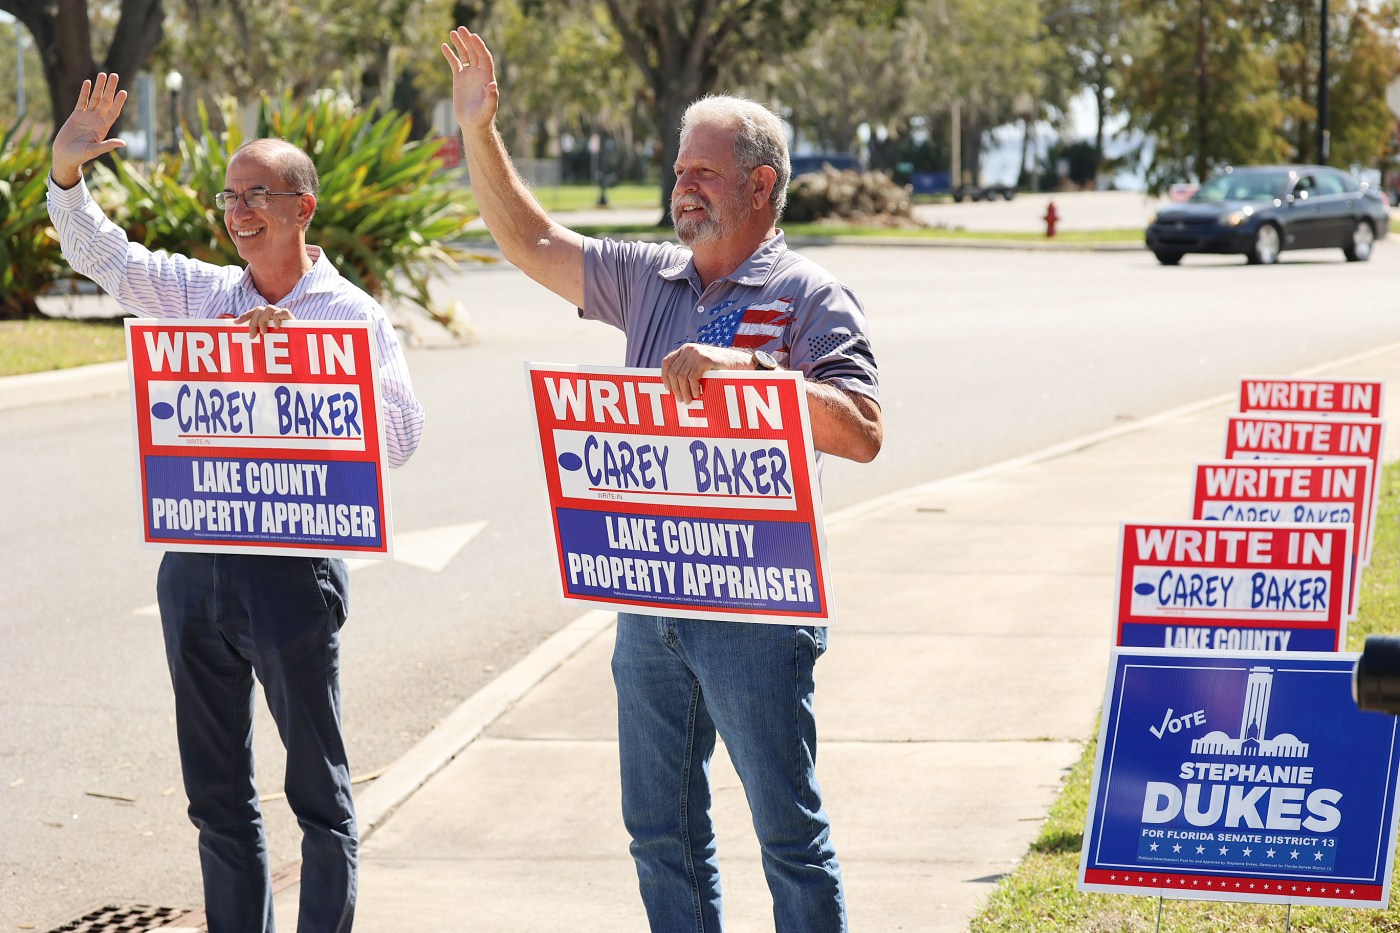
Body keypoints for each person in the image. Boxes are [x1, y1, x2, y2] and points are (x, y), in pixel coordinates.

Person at [440, 27, 881, 932]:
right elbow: (529, 238)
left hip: (758, 613)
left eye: (704, 173)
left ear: (761, 186)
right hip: (649, 607)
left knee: (787, 838)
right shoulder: (647, 279)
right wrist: (480, 129)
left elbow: (865, 431)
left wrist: (752, 376)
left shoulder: (811, 297)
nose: (682, 185)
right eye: (680, 169)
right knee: (660, 834)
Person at [48, 74, 424, 933]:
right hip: (195, 573)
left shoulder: (352, 315)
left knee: (318, 797)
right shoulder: (206, 293)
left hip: (293, 575)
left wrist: (314, 363)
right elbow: (107, 258)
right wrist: (68, 177)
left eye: (259, 194)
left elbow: (400, 439)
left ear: (304, 207)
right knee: (216, 797)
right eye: (231, 196)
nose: (240, 211)